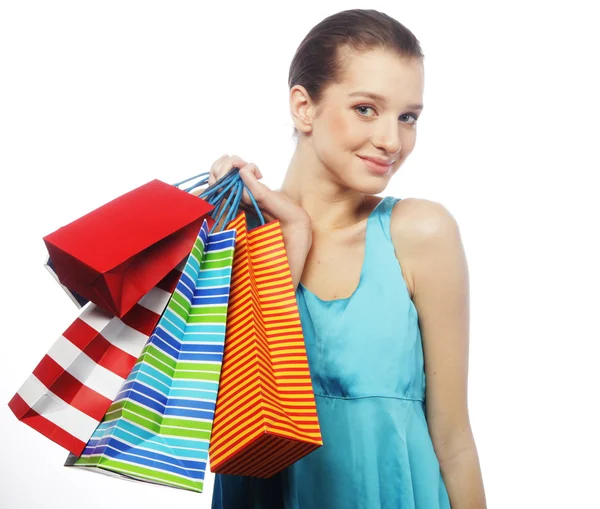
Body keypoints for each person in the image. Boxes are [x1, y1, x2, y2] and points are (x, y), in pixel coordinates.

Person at [203, 8, 487, 509]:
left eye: (408, 117)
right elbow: (199, 415)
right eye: (365, 109)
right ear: (303, 108)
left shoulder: (420, 233)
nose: (392, 141)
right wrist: (289, 233)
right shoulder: (232, 235)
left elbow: (454, 440)